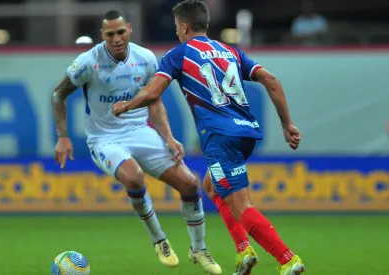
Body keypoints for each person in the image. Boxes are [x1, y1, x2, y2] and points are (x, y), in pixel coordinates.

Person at [112, 1, 306, 274]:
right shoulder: (230, 51)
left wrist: (126, 105)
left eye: (177, 27)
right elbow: (271, 81)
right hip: (246, 133)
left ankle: (288, 260)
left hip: (219, 137)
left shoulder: (179, 54)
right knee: (212, 187)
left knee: (241, 205)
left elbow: (152, 92)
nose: (177, 32)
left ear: (184, 26)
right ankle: (244, 251)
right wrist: (287, 124)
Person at [51, 9, 222, 275]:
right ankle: (159, 240)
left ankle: (198, 248)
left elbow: (154, 100)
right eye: (110, 34)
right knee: (134, 178)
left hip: (141, 131)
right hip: (104, 139)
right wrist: (63, 137)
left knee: (190, 184)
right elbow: (58, 94)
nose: (117, 38)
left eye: (121, 32)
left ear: (129, 29)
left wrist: (168, 138)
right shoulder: (88, 61)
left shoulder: (145, 58)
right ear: (102, 36)